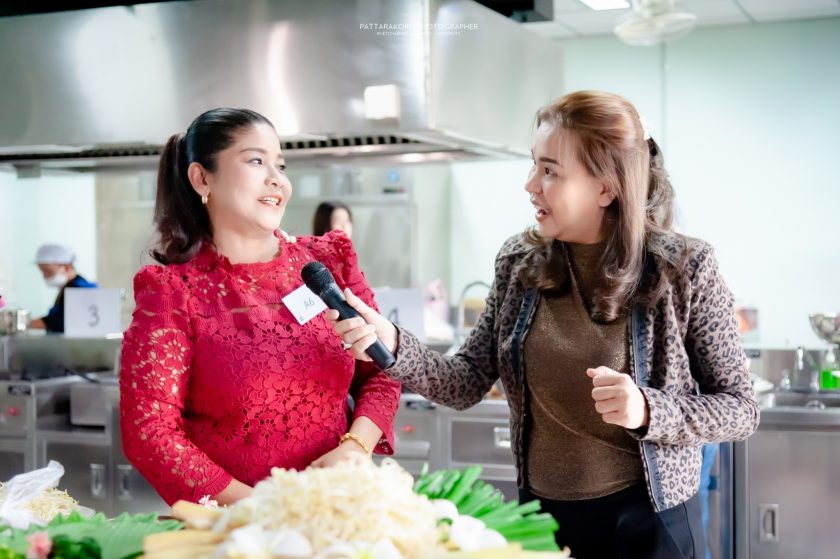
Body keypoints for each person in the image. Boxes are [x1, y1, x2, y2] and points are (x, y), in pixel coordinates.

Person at [328, 91, 759, 558]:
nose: (531, 184)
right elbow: (466, 381)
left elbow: (741, 409)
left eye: (551, 171)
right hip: (543, 517)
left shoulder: (684, 269)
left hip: (648, 520)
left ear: (606, 188)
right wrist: (392, 342)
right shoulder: (519, 262)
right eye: (534, 165)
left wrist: (648, 410)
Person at [119, 108, 400, 506]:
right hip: (235, 527)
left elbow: (383, 369)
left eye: (280, 165)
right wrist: (258, 511)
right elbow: (150, 432)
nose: (277, 179)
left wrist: (357, 445)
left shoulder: (328, 262)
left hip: (336, 513)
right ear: (202, 178)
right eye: (255, 161)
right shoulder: (173, 292)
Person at [29, 244, 97, 333]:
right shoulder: (66, 288)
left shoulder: (80, 289)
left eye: (48, 271)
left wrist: (26, 323)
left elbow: (67, 322)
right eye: (42, 271)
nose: (44, 276)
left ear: (66, 266)